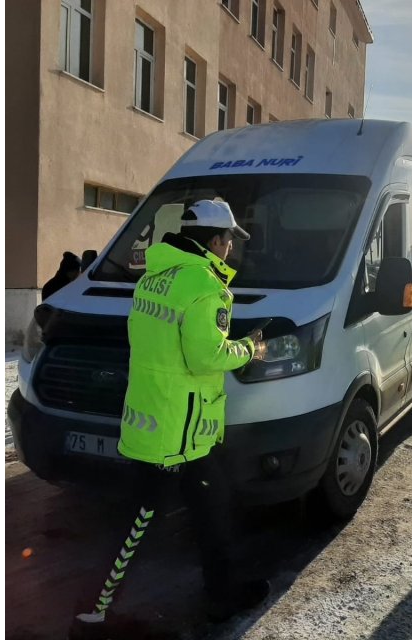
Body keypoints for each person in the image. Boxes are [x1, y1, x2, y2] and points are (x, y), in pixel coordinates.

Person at [72, 199, 270, 633]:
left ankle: (223, 594)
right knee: (147, 521)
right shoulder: (204, 285)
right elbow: (205, 356)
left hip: (156, 419)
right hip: (179, 435)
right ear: (216, 240)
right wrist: (249, 349)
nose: (231, 249)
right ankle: (94, 612)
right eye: (230, 240)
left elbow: (162, 346)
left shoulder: (155, 277)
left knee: (207, 511)